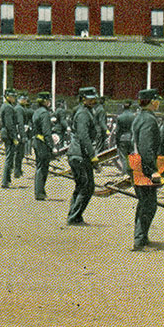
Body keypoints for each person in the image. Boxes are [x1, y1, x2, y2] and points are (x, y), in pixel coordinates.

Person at [130, 88, 162, 251]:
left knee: (145, 202)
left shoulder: (140, 118)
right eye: (157, 100)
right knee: (149, 204)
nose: (159, 103)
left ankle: (142, 236)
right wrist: (152, 171)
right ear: (151, 102)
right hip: (144, 167)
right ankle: (139, 241)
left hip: (136, 163)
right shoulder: (149, 120)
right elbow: (146, 147)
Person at [66, 87, 99, 225]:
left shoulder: (85, 112)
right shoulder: (83, 114)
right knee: (87, 187)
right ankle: (74, 217)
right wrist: (93, 156)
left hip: (78, 153)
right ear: (83, 99)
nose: (93, 101)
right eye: (89, 98)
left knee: (81, 186)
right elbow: (84, 137)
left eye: (94, 98)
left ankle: (74, 215)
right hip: (80, 154)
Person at [32, 92, 54, 200]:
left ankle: (39, 191)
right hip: (42, 142)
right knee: (43, 167)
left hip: (36, 140)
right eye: (48, 100)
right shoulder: (45, 113)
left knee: (39, 166)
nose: (49, 102)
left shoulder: (36, 112)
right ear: (45, 101)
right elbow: (47, 132)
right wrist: (51, 145)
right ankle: (39, 192)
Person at [0, 89, 20, 188]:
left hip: (5, 133)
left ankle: (7, 179)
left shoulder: (5, 106)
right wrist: (14, 137)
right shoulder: (8, 107)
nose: (14, 98)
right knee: (9, 157)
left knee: (9, 156)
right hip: (8, 134)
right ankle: (5, 181)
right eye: (13, 96)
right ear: (7, 96)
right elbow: (9, 124)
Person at [113, 101, 136, 174]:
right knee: (130, 156)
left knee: (123, 157)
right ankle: (130, 173)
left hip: (122, 139)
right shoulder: (133, 117)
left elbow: (117, 131)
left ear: (123, 107)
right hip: (131, 138)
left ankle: (125, 172)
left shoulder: (120, 117)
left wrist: (116, 141)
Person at [14, 93, 29, 177]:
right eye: (24, 99)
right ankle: (17, 171)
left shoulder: (20, 108)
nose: (25, 101)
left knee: (20, 153)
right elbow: (20, 123)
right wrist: (23, 135)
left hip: (19, 132)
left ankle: (18, 170)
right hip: (19, 133)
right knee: (19, 153)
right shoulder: (19, 109)